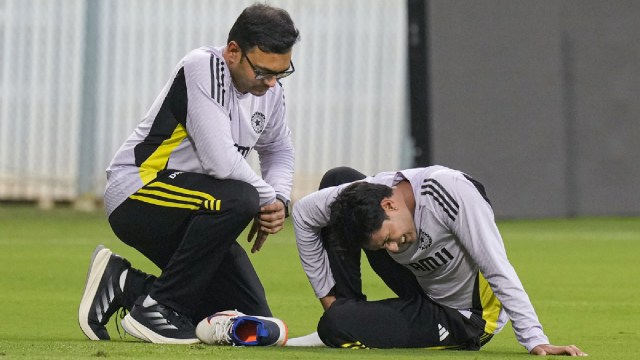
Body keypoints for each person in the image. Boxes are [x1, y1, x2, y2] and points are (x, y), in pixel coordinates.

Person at [78, 3, 300, 344]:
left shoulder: (270, 94)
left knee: (251, 319)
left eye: (280, 73)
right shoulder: (204, 66)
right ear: (233, 52)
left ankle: (124, 284)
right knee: (242, 197)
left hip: (200, 208)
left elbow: (278, 149)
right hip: (139, 191)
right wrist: (266, 199)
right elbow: (221, 163)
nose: (271, 83)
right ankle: (158, 310)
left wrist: (280, 198)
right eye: (262, 72)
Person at [292, 166, 587, 356]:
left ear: (390, 203)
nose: (392, 249)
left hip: (463, 314)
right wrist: (328, 298)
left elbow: (497, 267)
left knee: (334, 325)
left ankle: (344, 322)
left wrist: (535, 339)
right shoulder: (379, 195)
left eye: (391, 237)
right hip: (421, 283)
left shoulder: (451, 193)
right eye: (385, 244)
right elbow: (304, 214)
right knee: (339, 181)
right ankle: (346, 310)